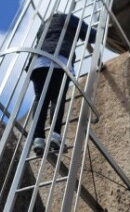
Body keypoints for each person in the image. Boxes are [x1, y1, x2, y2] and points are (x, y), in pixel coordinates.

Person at [29, 13, 96, 155]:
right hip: (59, 60)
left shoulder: (46, 23)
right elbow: (91, 36)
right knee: (57, 99)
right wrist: (103, 26)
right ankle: (55, 135)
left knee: (39, 98)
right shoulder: (71, 19)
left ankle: (38, 138)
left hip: (37, 62)